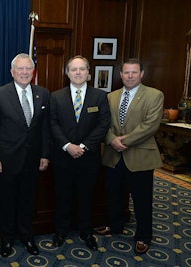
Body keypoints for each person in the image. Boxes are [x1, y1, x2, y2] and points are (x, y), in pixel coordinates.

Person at [96, 58, 164, 255]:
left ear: (142, 74)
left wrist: (122, 141)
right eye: (126, 72)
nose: (130, 76)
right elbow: (104, 123)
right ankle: (114, 225)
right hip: (113, 155)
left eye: (134, 72)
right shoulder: (111, 97)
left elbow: (150, 125)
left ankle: (143, 236)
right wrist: (111, 140)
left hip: (140, 157)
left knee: (142, 199)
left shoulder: (154, 95)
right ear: (121, 74)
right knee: (113, 194)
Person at [0, 53, 50, 257]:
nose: (24, 72)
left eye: (28, 69)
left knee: (28, 201)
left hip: (32, 160)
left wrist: (44, 154)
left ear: (33, 72)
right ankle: (6, 240)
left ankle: (27, 236)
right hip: (6, 161)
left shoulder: (43, 93)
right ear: (12, 72)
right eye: (20, 69)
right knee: (6, 202)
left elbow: (44, 129)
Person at [50, 55, 111, 251]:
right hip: (63, 157)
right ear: (67, 73)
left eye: (82, 69)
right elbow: (52, 124)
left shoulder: (100, 97)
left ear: (89, 73)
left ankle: (86, 231)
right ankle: (61, 230)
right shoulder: (56, 96)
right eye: (74, 69)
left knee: (86, 196)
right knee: (62, 196)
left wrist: (83, 146)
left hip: (88, 158)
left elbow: (103, 125)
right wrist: (68, 145)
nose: (78, 73)